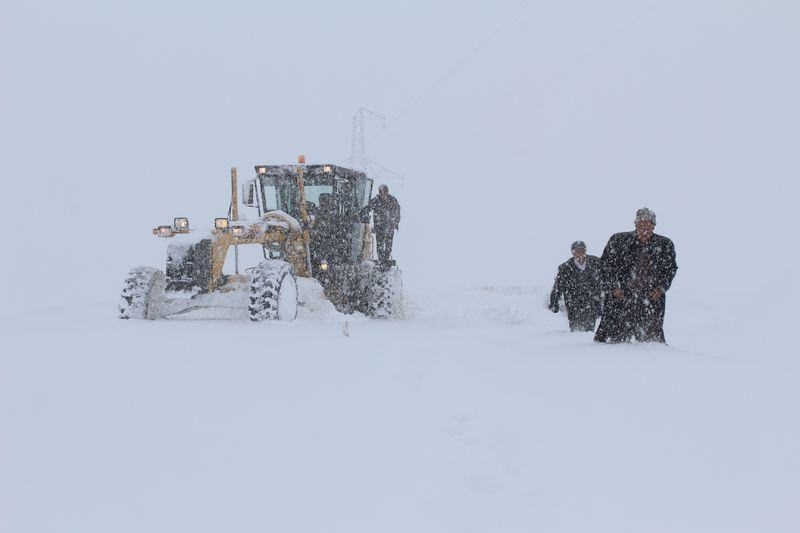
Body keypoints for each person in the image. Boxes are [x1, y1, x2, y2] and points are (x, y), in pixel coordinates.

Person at [594, 207, 678, 344]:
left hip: (650, 300)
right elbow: (604, 266)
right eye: (641, 224)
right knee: (612, 344)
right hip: (620, 299)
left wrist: (661, 287)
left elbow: (670, 269)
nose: (645, 228)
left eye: (649, 225)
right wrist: (614, 286)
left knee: (652, 345)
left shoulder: (665, 244)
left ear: (654, 226)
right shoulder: (618, 240)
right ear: (635, 224)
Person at [549, 240, 602, 332]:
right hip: (573, 303)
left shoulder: (596, 262)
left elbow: (605, 279)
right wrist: (554, 304)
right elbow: (558, 287)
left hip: (592, 302)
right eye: (577, 250)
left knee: (589, 331)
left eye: (582, 250)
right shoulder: (565, 268)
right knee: (576, 331)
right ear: (572, 252)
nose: (580, 253)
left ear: (586, 250)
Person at [361, 184, 401, 265]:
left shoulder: (393, 200)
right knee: (380, 245)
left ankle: (386, 259)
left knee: (388, 245)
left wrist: (394, 222)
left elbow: (397, 213)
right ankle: (381, 260)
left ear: (387, 192)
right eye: (381, 192)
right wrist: (361, 213)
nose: (382, 194)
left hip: (390, 227)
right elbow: (368, 208)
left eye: (384, 192)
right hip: (380, 227)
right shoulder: (376, 200)